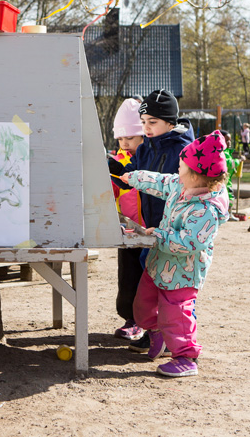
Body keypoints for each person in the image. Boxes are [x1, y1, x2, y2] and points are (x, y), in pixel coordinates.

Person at [120, 130, 229, 377]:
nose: (177, 170)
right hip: (158, 264)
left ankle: (186, 357)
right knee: (142, 306)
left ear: (196, 175)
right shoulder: (181, 185)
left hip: (183, 275)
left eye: (181, 167)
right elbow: (160, 181)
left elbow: (189, 242)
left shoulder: (206, 210)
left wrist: (157, 236)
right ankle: (156, 332)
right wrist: (134, 177)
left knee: (177, 316)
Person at [108, 88, 195, 353]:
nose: (146, 128)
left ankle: (178, 341)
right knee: (153, 283)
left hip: (176, 229)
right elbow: (131, 177)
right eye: (143, 122)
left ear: (170, 122)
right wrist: (112, 167)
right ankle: (155, 332)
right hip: (151, 229)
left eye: (152, 122)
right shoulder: (146, 147)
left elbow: (188, 188)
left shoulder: (184, 149)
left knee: (175, 288)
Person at [110, 98, 146, 341]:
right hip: (129, 232)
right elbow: (109, 193)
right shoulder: (118, 162)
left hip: (151, 230)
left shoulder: (150, 159)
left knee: (149, 280)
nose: (124, 143)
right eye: (120, 138)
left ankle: (151, 323)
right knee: (128, 278)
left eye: (130, 138)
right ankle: (131, 319)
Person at [220, 130, 244, 208]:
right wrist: (238, 161)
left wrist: (235, 171)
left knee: (230, 196)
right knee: (228, 196)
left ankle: (229, 210)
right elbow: (229, 164)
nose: (229, 142)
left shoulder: (228, 152)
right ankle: (228, 210)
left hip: (228, 180)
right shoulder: (221, 152)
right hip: (223, 181)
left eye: (230, 140)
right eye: (227, 140)